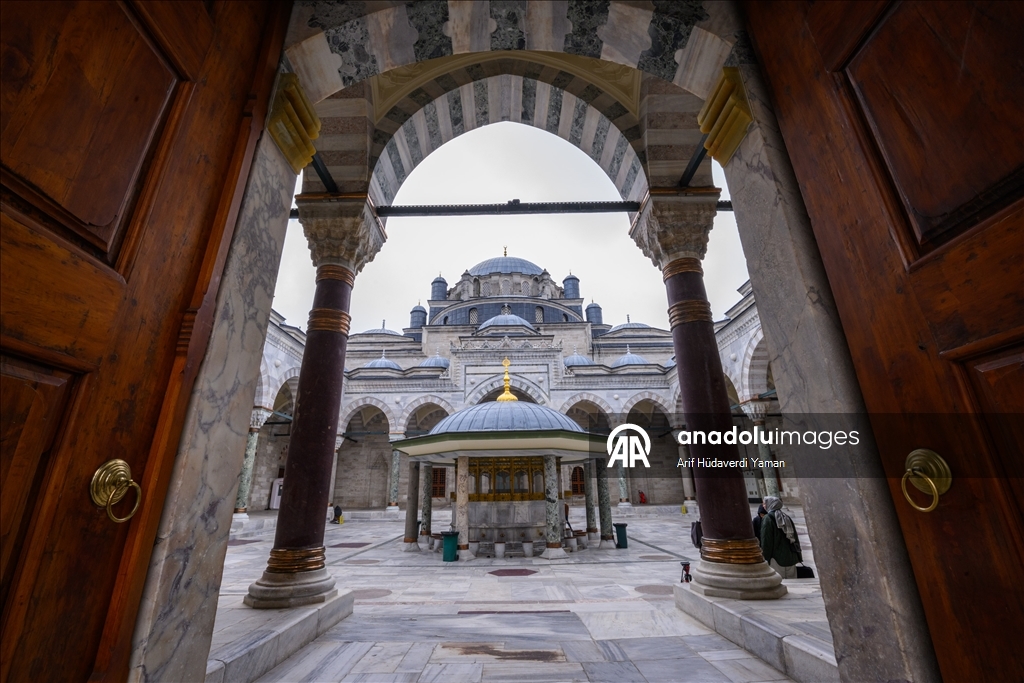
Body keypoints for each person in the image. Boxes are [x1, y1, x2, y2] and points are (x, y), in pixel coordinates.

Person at [760, 495, 801, 578]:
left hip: (776, 558)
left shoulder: (767, 518)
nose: (763, 505)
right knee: (793, 581)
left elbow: (766, 540)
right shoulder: (786, 517)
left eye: (764, 503)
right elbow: (795, 538)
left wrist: (765, 557)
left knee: (780, 581)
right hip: (790, 556)